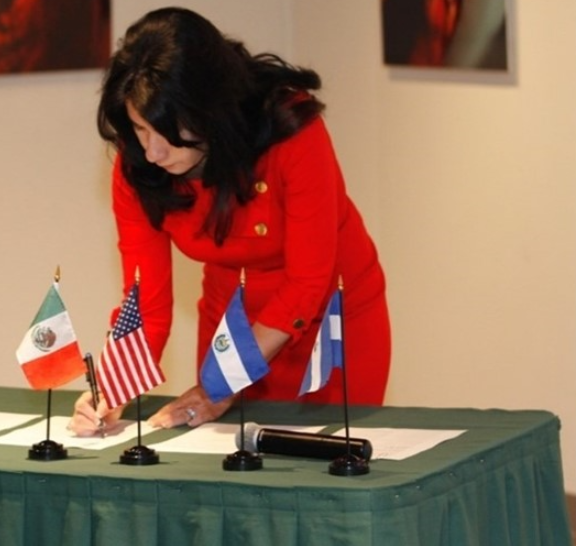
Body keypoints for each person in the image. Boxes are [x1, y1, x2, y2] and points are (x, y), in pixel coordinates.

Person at [69, 7, 390, 436]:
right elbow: (144, 300)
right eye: (140, 129)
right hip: (232, 323)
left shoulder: (289, 129)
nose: (153, 153)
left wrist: (219, 385)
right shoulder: (139, 167)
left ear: (210, 111)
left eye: (166, 132)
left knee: (330, 463)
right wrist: (110, 388)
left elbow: (307, 282)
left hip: (328, 323)